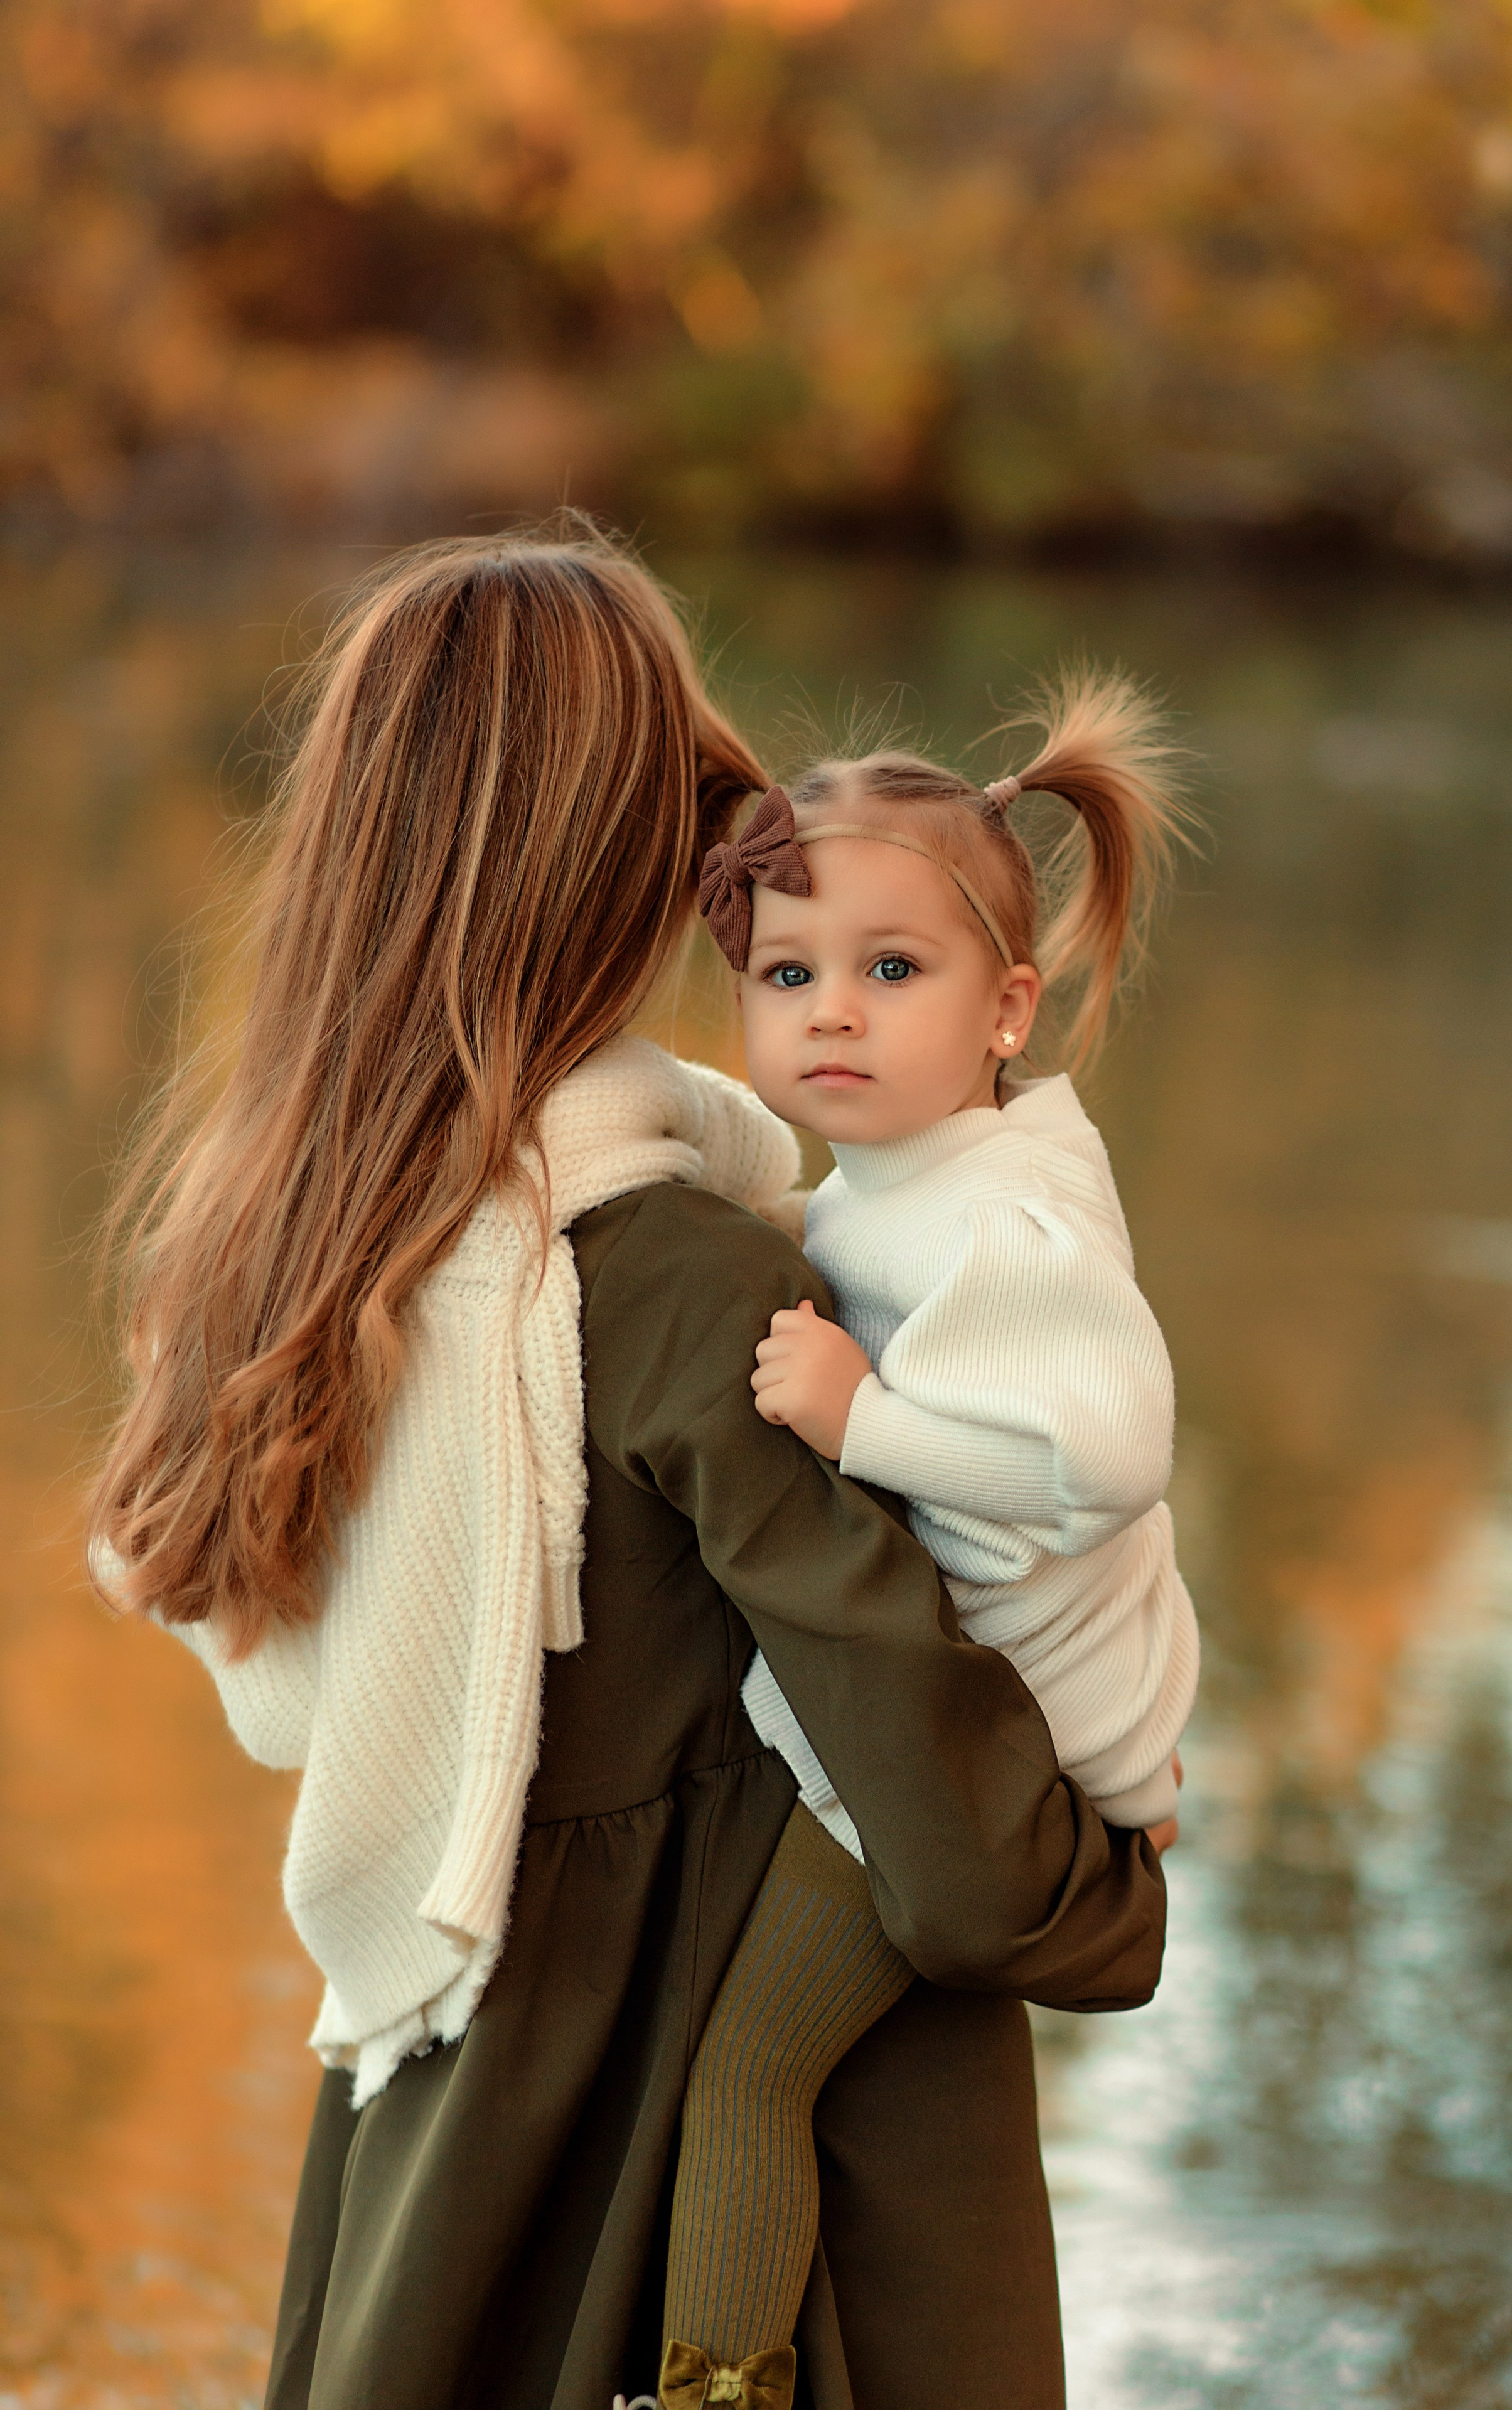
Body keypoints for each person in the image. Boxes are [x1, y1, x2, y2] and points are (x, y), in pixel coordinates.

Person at [88, 528, 1168, 2410]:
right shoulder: (686, 1276)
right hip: (722, 2163)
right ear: (624, 862)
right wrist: (1110, 1880)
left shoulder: (323, 1241)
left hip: (446, 2114)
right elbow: (934, 1787)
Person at [658, 687, 1196, 2401]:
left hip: (976, 1739)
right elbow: (829, 1221)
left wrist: (856, 1420)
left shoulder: (1006, 1219)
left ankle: (711, 2387)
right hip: (992, 1698)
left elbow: (1113, 1457)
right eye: (787, 975)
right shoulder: (914, 1175)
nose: (833, 1014)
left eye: (895, 972)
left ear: (1006, 1010)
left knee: (743, 2076)